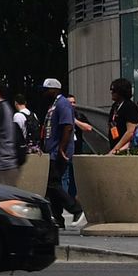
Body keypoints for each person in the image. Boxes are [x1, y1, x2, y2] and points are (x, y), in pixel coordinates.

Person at [43, 76, 91, 232]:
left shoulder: (62, 104)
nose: (45, 92)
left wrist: (62, 149)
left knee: (52, 183)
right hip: (53, 151)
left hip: (58, 152)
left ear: (55, 90)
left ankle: (76, 209)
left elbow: (68, 127)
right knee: (52, 185)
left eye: (47, 89)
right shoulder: (54, 105)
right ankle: (58, 219)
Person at [104, 77, 138, 154]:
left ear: (121, 91)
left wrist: (116, 149)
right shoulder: (114, 106)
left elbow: (131, 131)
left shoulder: (129, 106)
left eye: (114, 91)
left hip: (124, 149)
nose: (112, 93)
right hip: (114, 144)